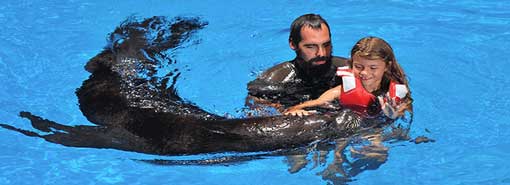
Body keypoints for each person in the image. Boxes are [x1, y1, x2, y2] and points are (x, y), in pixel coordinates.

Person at [284, 36, 413, 119]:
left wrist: (395, 114)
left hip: (373, 130)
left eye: (373, 68)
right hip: (346, 128)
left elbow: (404, 113)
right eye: (359, 67)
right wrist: (295, 110)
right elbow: (315, 103)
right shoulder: (342, 90)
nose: (365, 73)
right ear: (351, 65)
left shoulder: (397, 92)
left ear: (386, 66)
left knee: (378, 152)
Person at [246, 14, 348, 113]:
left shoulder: (350, 68)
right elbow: (252, 102)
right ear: (293, 44)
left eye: (326, 45)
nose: (322, 53)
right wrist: (283, 110)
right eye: (311, 46)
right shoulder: (277, 79)